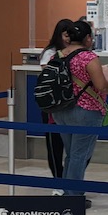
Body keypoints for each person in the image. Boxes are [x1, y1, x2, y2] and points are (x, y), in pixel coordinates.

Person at [51, 20, 108, 206]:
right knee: (80, 155)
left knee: (71, 154)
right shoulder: (89, 58)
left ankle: (68, 191)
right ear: (87, 38)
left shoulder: (58, 55)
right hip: (85, 111)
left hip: (61, 110)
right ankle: (74, 197)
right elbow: (101, 85)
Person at [39, 18, 75, 186]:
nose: (68, 39)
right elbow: (49, 77)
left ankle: (69, 180)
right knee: (54, 147)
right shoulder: (50, 53)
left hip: (69, 105)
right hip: (52, 105)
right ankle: (58, 181)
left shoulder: (76, 51)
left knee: (74, 148)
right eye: (66, 35)